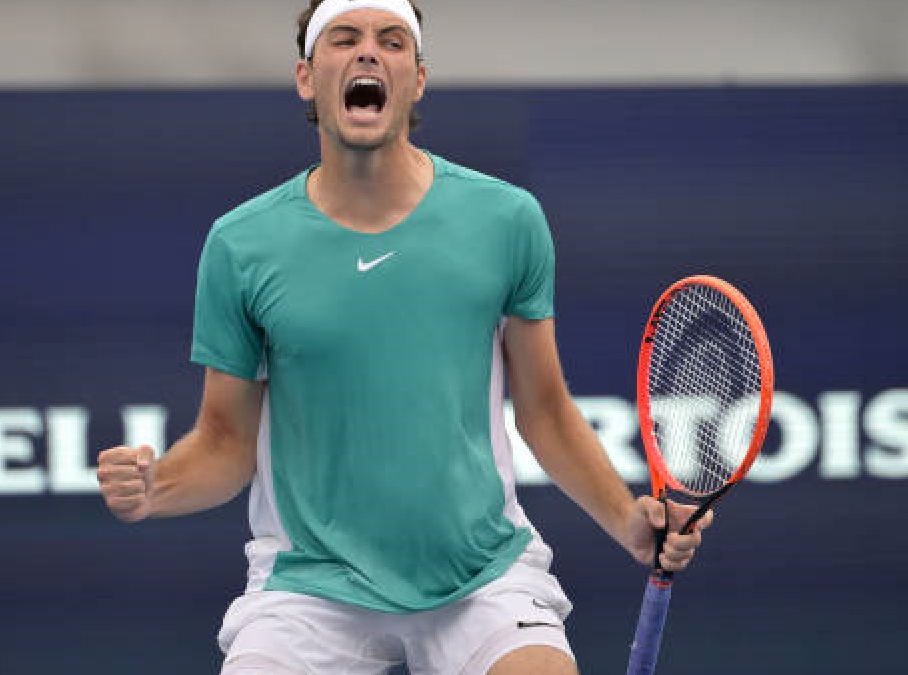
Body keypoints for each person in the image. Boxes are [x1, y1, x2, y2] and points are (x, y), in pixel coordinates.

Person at [96, 1, 712, 673]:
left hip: (481, 578)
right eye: (345, 38)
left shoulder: (506, 220)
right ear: (307, 76)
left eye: (391, 41)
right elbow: (224, 441)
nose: (368, 53)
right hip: (310, 586)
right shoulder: (241, 245)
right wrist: (157, 486)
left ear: (416, 78)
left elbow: (544, 409)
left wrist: (627, 518)